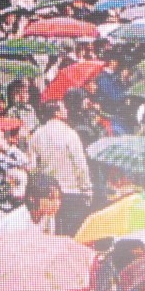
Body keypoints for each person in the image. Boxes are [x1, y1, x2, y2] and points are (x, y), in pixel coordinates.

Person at [28, 101, 92, 236]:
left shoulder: (36, 135)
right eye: (63, 107)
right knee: (71, 236)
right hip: (71, 192)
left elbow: (32, 168)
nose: (67, 110)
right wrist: (86, 188)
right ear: (56, 113)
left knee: (51, 236)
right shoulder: (70, 134)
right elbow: (80, 164)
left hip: (47, 196)